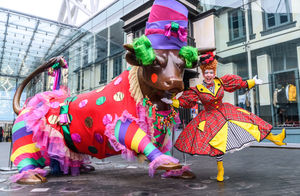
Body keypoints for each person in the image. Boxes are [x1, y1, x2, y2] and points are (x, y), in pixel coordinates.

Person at [162, 51, 286, 182]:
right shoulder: (197, 89)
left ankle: (275, 138)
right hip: (210, 116)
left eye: (211, 72)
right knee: (218, 142)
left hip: (225, 110)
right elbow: (186, 101)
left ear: (214, 73)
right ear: (203, 74)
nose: (209, 75)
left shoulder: (221, 82)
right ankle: (220, 170)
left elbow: (238, 85)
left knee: (248, 121)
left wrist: (252, 82)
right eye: (206, 72)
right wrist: (173, 102)